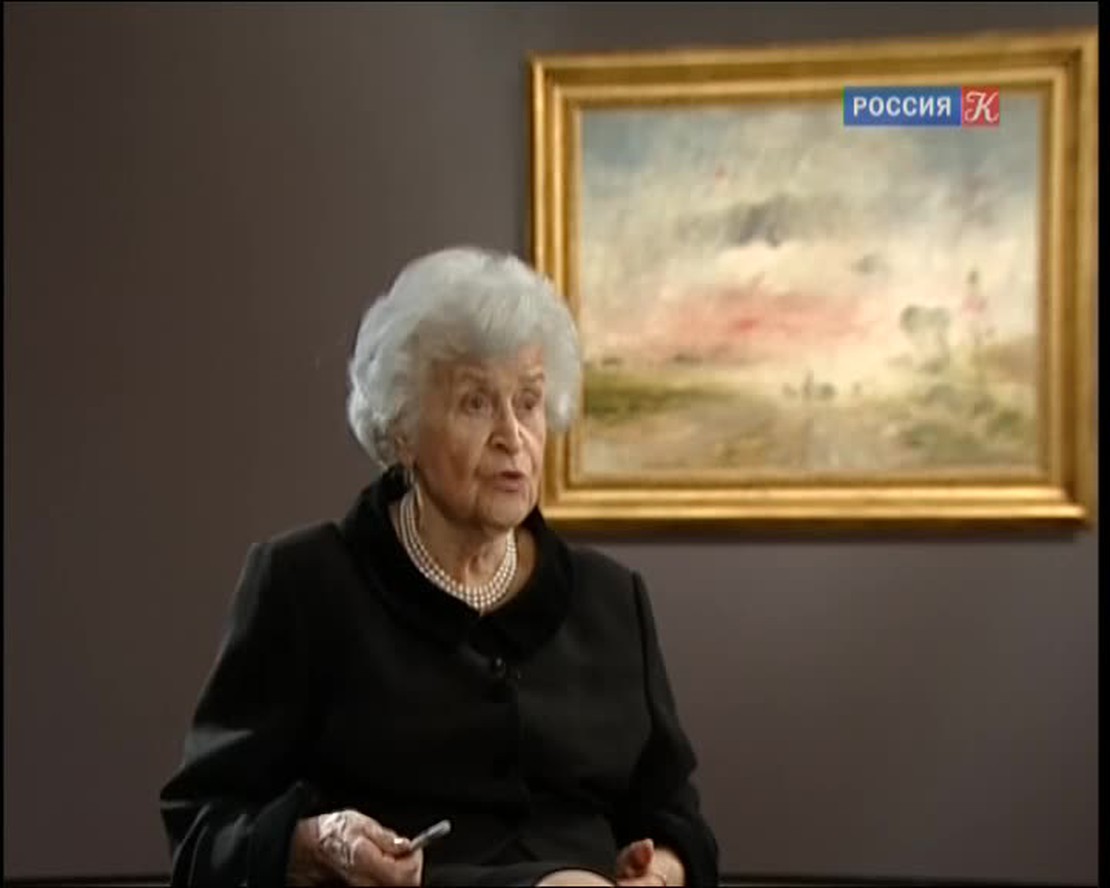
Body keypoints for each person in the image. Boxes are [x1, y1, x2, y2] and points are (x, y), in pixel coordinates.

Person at [159, 246, 719, 887]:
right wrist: (316, 843)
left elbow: (677, 819)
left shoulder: (611, 599)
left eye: (529, 402)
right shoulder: (305, 585)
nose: (512, 436)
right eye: (475, 403)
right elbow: (204, 829)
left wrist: (662, 872)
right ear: (402, 430)